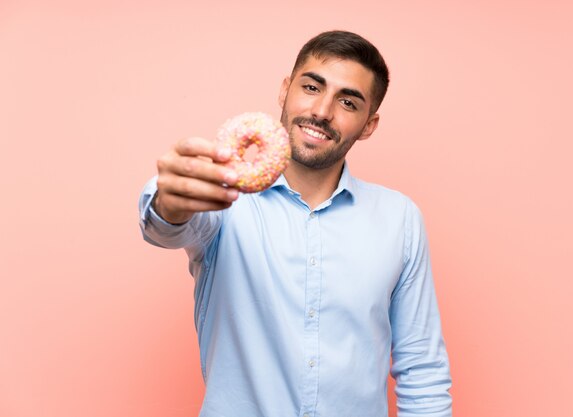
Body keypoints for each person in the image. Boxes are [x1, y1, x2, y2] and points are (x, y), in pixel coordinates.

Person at [139, 30, 452, 417]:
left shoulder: (400, 218)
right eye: (311, 86)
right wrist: (169, 200)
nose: (322, 111)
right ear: (285, 90)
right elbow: (166, 226)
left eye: (348, 102)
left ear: (369, 125)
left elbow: (422, 367)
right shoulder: (224, 201)